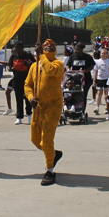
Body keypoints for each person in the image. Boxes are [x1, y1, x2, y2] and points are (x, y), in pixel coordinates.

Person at [24, 39, 64, 186]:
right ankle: (53, 154)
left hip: (53, 106)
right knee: (35, 140)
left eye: (51, 45)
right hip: (38, 107)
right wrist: (30, 97)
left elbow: (50, 70)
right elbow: (27, 85)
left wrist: (41, 56)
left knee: (46, 140)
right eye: (46, 45)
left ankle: (49, 170)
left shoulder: (58, 64)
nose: (48, 46)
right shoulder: (34, 66)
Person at [8, 42, 35, 125]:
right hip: (17, 80)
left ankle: (29, 115)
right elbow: (9, 66)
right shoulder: (13, 56)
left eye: (17, 47)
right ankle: (19, 117)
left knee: (28, 98)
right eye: (15, 47)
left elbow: (35, 64)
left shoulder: (28, 55)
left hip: (27, 80)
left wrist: (30, 64)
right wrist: (11, 69)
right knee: (18, 98)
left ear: (22, 47)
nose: (16, 49)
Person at [66, 43, 95, 107]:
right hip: (75, 79)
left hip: (86, 79)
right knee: (74, 94)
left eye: (78, 49)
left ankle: (82, 108)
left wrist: (85, 71)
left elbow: (92, 66)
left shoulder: (87, 57)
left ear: (82, 49)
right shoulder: (72, 56)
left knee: (83, 94)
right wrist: (68, 69)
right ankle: (74, 107)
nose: (76, 51)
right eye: (75, 49)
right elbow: (68, 65)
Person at [93, 48, 109, 115]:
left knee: (106, 94)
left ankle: (107, 107)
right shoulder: (98, 62)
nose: (102, 55)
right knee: (99, 93)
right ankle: (97, 107)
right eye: (102, 53)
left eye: (104, 53)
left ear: (107, 55)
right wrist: (94, 81)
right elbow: (96, 71)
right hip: (99, 79)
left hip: (107, 79)